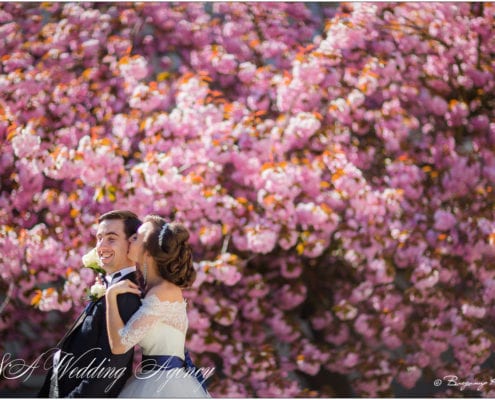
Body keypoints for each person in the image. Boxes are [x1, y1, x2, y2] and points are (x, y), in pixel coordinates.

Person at [38, 210, 142, 397]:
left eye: (111, 239)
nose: (101, 246)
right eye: (99, 238)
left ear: (132, 243)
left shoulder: (127, 295)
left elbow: (110, 370)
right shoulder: (110, 285)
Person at [105, 215, 211, 398]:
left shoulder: (163, 292)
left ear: (148, 253)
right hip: (151, 379)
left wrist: (110, 297)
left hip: (166, 386)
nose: (130, 238)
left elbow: (119, 346)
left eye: (136, 237)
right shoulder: (154, 289)